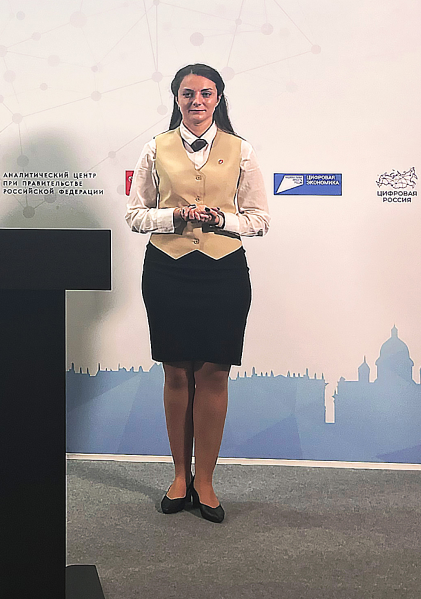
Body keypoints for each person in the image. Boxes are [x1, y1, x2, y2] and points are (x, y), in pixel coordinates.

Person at [124, 63, 269, 523]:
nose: (197, 101)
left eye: (206, 93)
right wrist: (176, 217)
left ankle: (204, 480)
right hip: (167, 270)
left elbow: (259, 219)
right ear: (177, 99)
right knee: (175, 375)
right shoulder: (155, 148)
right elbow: (135, 215)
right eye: (188, 94)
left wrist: (221, 220)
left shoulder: (242, 150)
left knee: (213, 375)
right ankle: (178, 477)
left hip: (223, 271)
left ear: (218, 98)